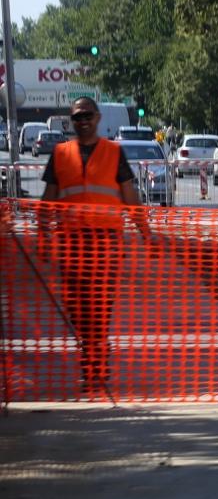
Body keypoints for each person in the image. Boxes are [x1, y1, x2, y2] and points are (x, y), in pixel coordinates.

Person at [40, 96, 145, 394]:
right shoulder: (60, 153)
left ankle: (94, 368)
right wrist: (43, 238)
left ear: (98, 118)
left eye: (87, 115)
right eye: (77, 117)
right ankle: (93, 358)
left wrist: (146, 233)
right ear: (71, 121)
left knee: (98, 310)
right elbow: (48, 200)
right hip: (72, 245)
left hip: (105, 246)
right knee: (77, 311)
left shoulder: (114, 152)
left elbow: (130, 197)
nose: (83, 121)